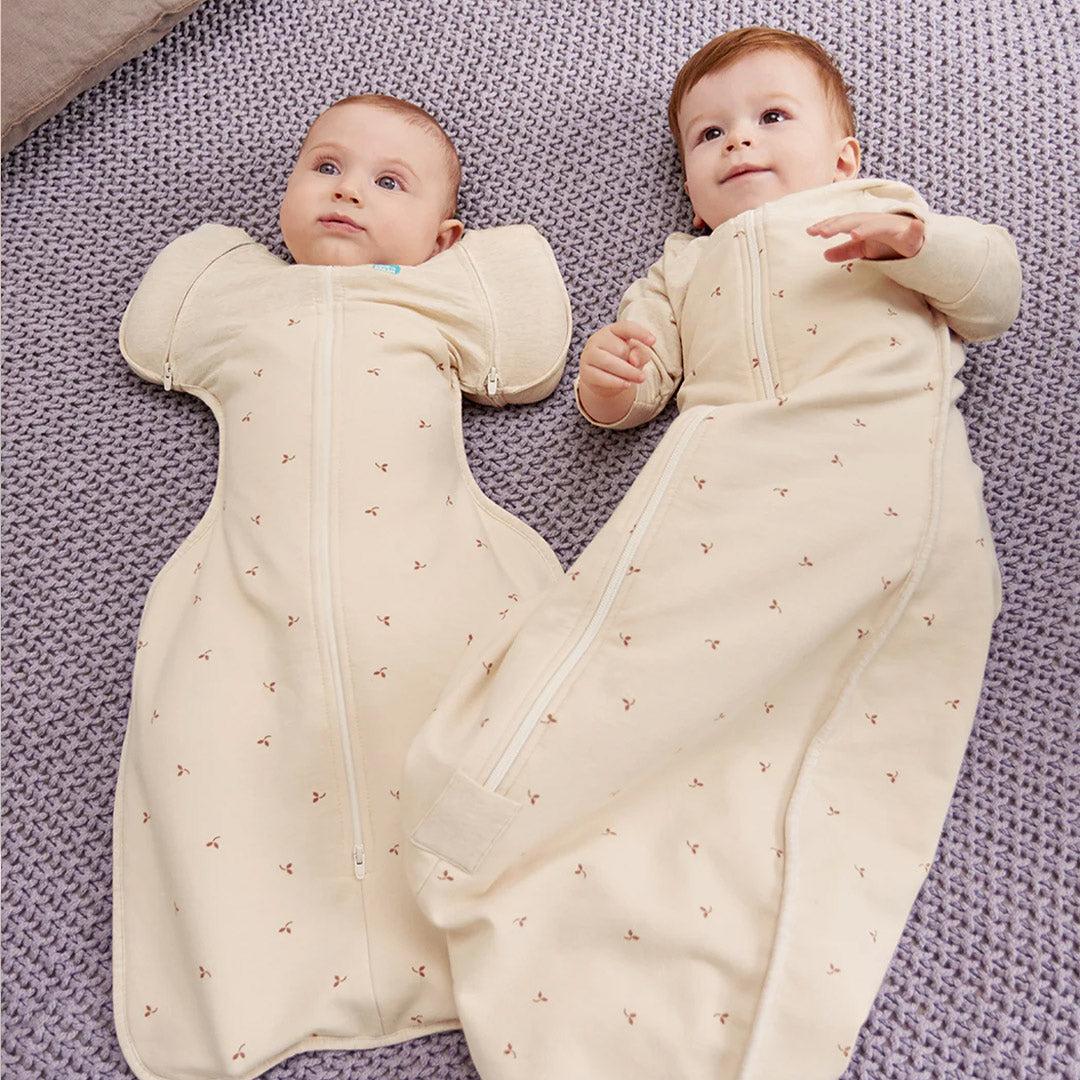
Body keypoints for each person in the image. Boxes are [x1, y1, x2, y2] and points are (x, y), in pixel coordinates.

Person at [399, 28, 1021, 1080]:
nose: (739, 142)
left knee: (812, 719)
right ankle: (547, 838)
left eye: (772, 118)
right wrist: (612, 378)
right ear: (691, 192)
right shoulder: (683, 267)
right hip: (724, 499)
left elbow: (992, 292)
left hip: (873, 486)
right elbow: (633, 393)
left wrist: (913, 242)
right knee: (630, 652)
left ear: (843, 156)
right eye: (709, 135)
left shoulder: (881, 214)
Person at [112, 92, 571, 1080]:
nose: (349, 190)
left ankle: (501, 960)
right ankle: (266, 985)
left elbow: (528, 347)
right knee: (233, 758)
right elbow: (156, 330)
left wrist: (444, 269)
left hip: (432, 582)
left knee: (458, 746)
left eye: (389, 182)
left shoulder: (434, 301)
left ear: (444, 236)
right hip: (252, 591)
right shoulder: (241, 302)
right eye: (325, 167)